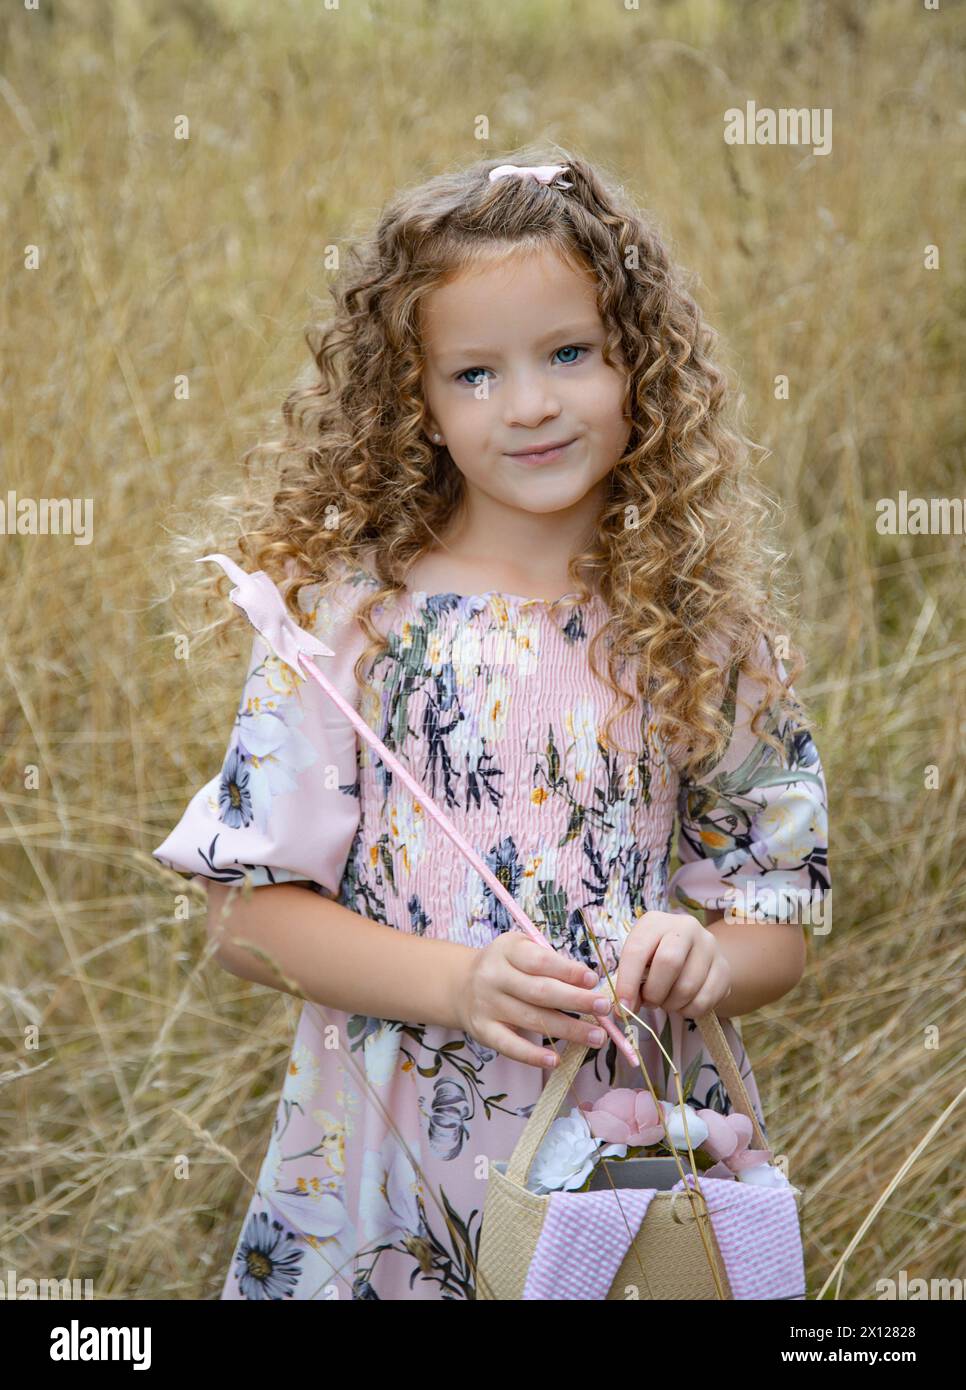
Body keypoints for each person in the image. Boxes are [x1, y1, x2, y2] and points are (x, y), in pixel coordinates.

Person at [152, 151, 830, 1300]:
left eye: (570, 353)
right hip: (386, 1160)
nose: (528, 404)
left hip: (622, 1157)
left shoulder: (703, 632)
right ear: (412, 399)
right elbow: (243, 913)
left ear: (642, 363)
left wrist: (705, 955)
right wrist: (458, 985)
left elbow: (778, 903)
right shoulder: (350, 623)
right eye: (474, 372)